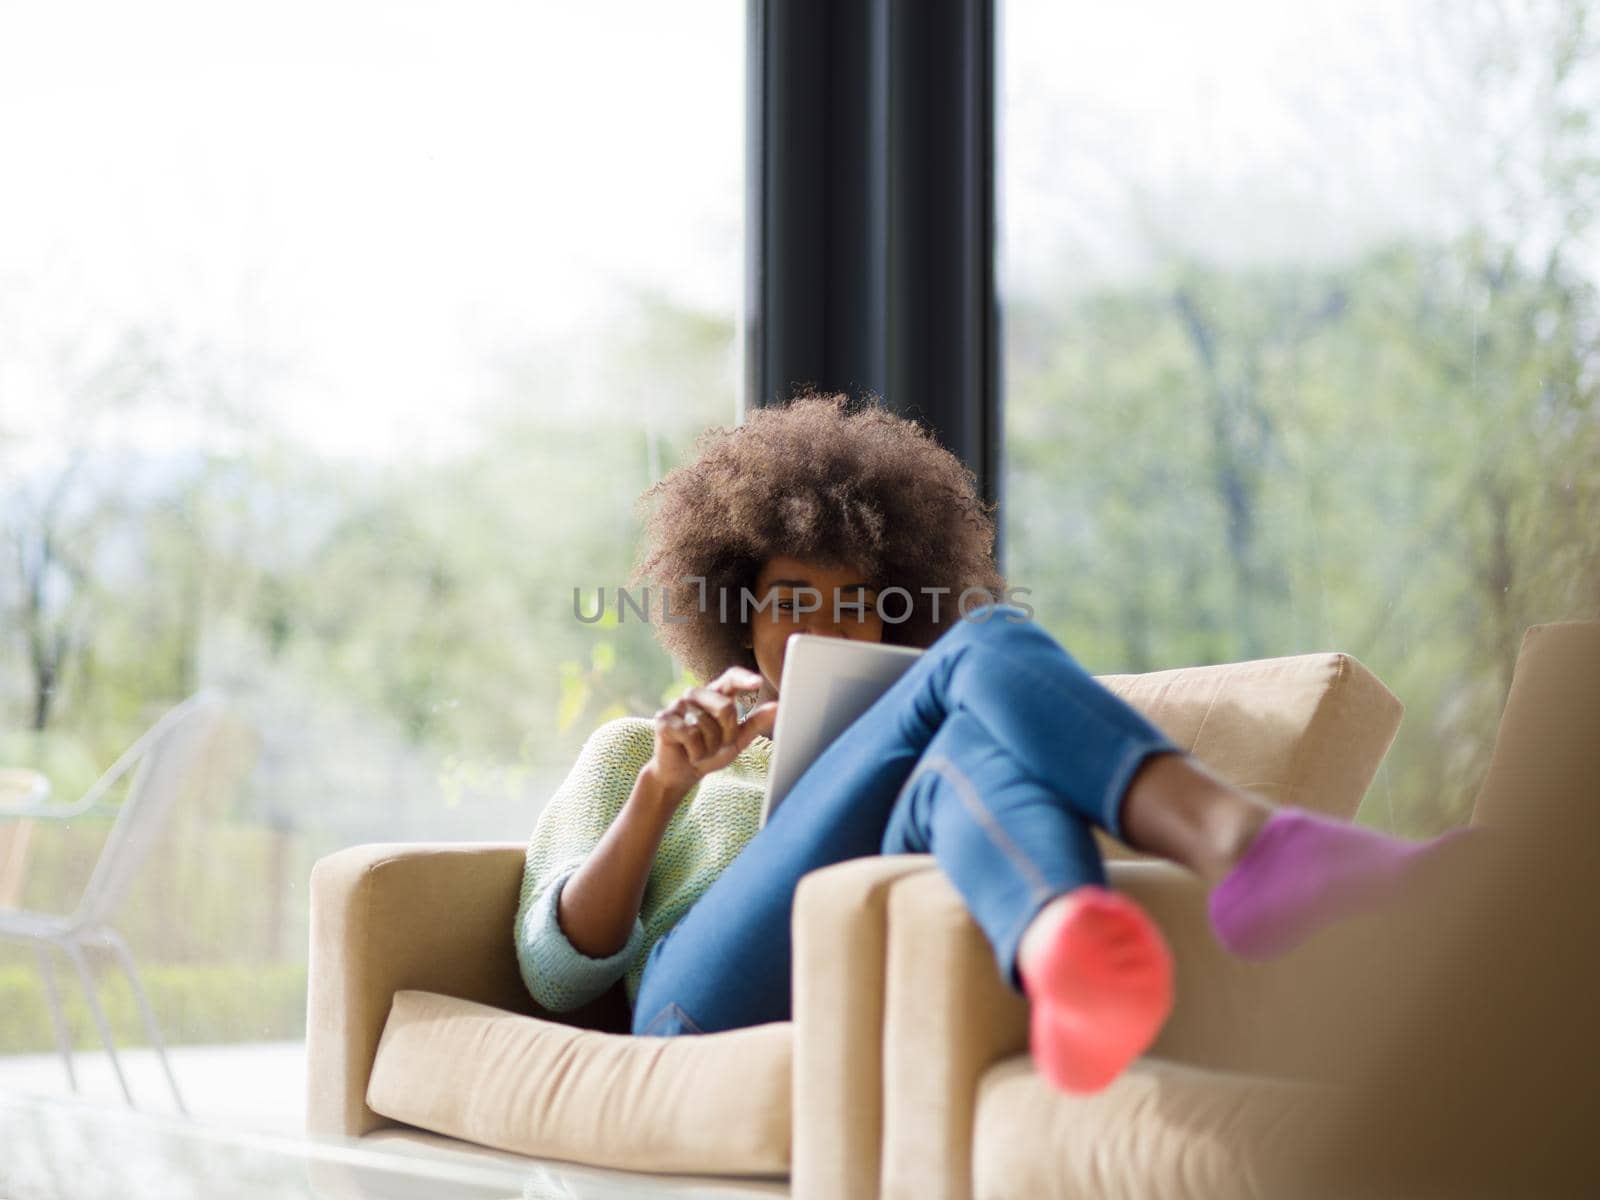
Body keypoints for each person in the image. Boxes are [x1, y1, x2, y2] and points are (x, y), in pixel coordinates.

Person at [514, 392, 1466, 1095]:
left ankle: (1068, 961)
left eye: (860, 609)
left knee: (977, 757)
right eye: (792, 602)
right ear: (734, 607)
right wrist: (664, 789)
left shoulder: (904, 742)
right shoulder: (637, 751)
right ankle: (1248, 848)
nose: (825, 634)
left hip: (860, 981)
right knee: (989, 647)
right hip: (690, 1013)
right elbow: (556, 973)